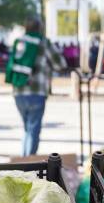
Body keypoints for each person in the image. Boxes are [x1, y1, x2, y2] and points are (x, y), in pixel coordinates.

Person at [5, 17, 66, 156]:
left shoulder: (19, 42)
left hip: (18, 91)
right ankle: (28, 164)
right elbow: (60, 64)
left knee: (27, 128)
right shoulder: (43, 42)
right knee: (33, 130)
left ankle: (24, 160)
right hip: (36, 92)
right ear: (40, 28)